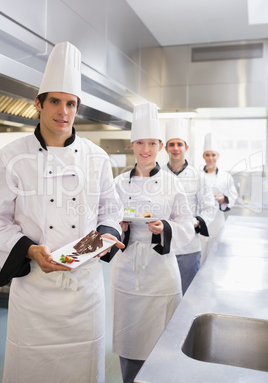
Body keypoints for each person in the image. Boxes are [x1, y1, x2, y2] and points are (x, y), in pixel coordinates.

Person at [0, 41, 124, 383]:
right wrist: (30, 249)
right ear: (38, 103)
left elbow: (109, 209)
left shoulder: (97, 157)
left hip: (83, 293)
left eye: (71, 103)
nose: (63, 111)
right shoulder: (11, 157)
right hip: (34, 298)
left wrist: (109, 235)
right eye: (55, 101)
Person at [110, 103, 194, 383]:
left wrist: (164, 228)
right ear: (132, 145)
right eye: (139, 143)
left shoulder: (172, 183)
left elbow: (186, 225)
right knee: (129, 343)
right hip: (126, 273)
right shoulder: (119, 184)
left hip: (160, 273)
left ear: (160, 146)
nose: (145, 149)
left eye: (151, 143)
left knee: (164, 346)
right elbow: (104, 223)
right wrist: (117, 228)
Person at [162, 118, 215, 294]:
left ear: (186, 148)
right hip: (162, 244)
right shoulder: (158, 174)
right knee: (165, 294)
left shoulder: (199, 176)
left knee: (188, 294)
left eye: (179, 144)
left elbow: (209, 207)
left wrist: (196, 222)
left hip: (189, 246)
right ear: (166, 148)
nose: (175, 148)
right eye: (171, 144)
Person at [201, 132, 238, 262]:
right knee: (199, 254)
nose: (210, 158)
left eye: (213, 155)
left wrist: (224, 199)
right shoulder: (198, 175)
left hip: (217, 220)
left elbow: (233, 194)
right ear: (203, 156)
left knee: (215, 256)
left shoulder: (225, 176)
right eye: (207, 155)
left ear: (218, 156)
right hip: (201, 218)